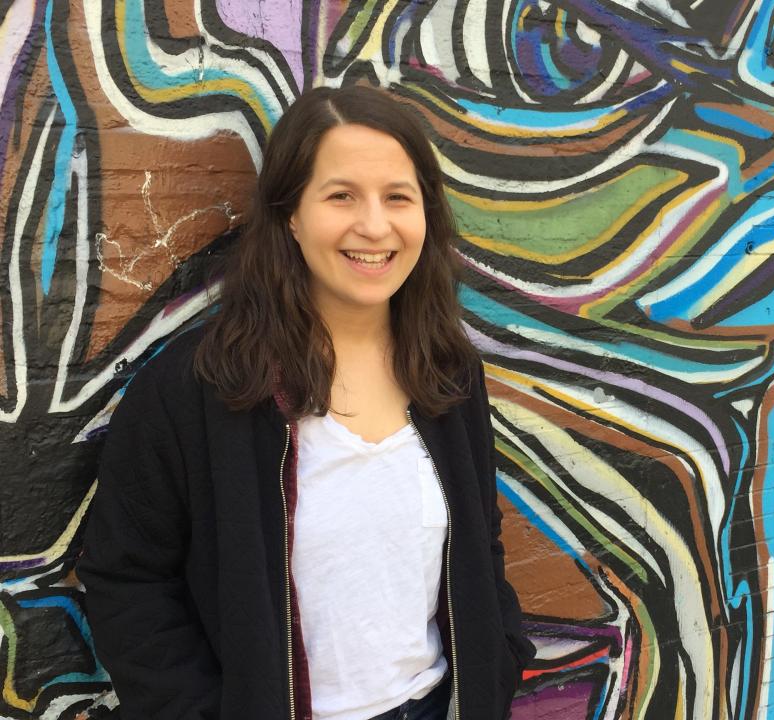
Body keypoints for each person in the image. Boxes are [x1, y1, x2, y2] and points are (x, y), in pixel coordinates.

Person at [77, 85, 535, 720]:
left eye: (397, 197)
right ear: (291, 213)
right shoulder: (198, 391)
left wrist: (499, 657)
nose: (374, 225)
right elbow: (126, 580)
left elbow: (480, 538)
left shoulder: (450, 377)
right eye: (341, 195)